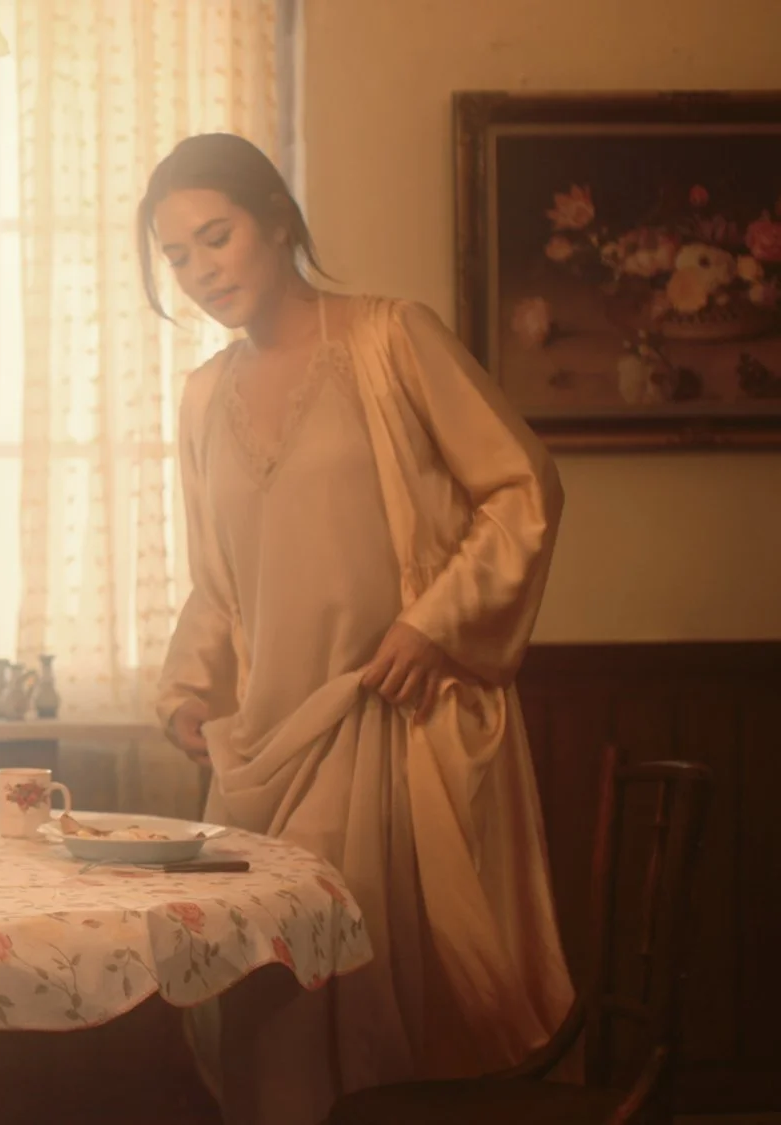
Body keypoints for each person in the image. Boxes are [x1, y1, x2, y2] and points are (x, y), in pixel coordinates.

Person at [145, 134, 573, 1124]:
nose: (201, 269)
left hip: (400, 722)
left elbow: (521, 488)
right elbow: (219, 582)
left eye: (216, 236)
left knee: (405, 1002)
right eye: (176, 255)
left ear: (277, 221)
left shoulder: (391, 339)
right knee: (272, 1004)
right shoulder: (202, 396)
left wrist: (433, 624)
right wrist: (187, 690)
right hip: (267, 743)